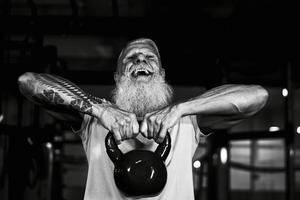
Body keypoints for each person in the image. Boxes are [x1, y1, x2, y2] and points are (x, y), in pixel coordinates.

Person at [18, 38, 269, 200]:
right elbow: (27, 82)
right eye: (131, 58)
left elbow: (257, 96)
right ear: (118, 77)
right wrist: (99, 109)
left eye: (150, 57)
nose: (140, 60)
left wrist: (181, 109)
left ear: (161, 73)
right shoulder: (94, 119)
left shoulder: (185, 121)